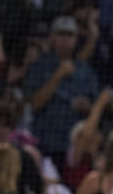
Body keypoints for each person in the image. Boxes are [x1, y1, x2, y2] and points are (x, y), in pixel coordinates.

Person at [25, 16, 99, 164]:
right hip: (45, 142)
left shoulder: (86, 71)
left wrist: (86, 106)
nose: (65, 40)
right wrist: (58, 75)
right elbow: (35, 104)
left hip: (75, 147)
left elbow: (96, 109)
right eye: (61, 34)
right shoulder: (39, 67)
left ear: (76, 39)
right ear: (52, 37)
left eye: (70, 35)